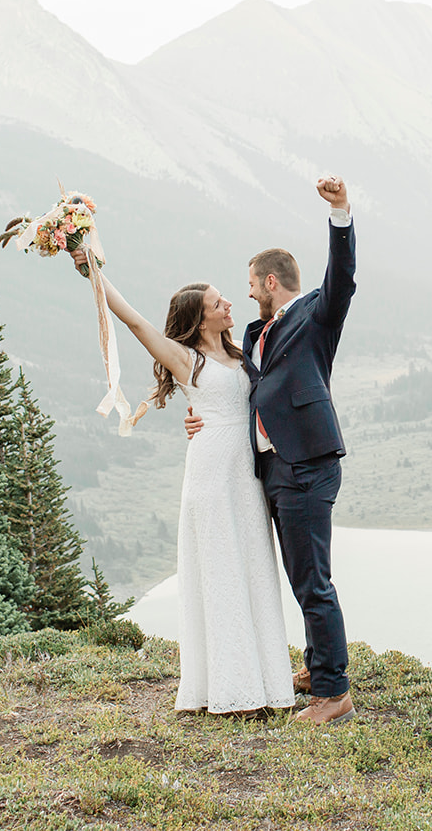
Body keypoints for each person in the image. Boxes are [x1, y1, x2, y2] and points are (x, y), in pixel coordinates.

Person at [70, 251, 294, 716]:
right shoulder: (185, 360)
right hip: (211, 475)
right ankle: (232, 693)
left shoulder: (240, 351)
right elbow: (133, 322)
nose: (229, 304)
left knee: (253, 570)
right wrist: (92, 270)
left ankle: (268, 684)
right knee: (221, 575)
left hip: (247, 477)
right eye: (217, 302)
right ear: (200, 318)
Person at [186, 174, 357, 725]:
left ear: (268, 280)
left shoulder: (313, 315)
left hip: (308, 463)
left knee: (313, 579)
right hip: (273, 468)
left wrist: (340, 213)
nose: (247, 294)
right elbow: (236, 390)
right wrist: (201, 418)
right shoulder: (255, 335)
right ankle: (319, 663)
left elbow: (343, 280)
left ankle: (333, 694)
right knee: (298, 573)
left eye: (251, 285)